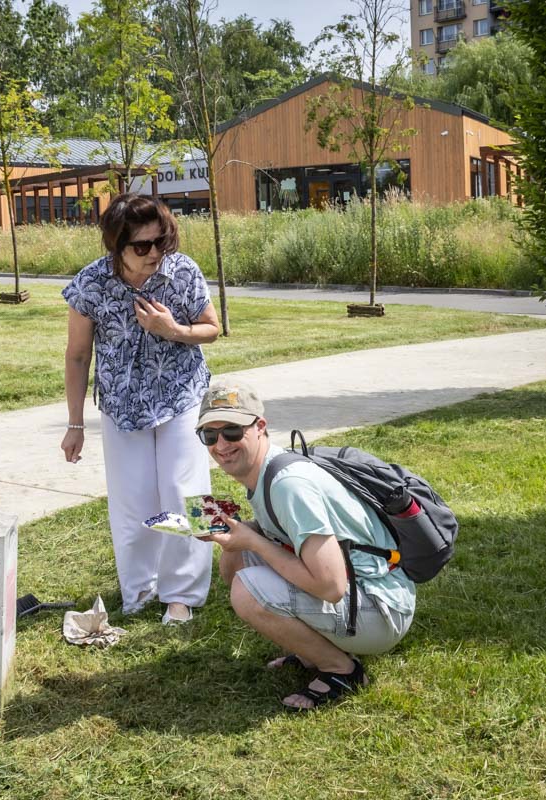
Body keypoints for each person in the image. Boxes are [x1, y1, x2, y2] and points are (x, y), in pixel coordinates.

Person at [194, 378, 416, 711]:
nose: (221, 445)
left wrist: (253, 540)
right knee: (239, 563)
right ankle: (313, 651)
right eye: (209, 435)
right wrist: (236, 538)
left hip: (381, 610)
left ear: (260, 427)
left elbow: (330, 587)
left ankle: (342, 671)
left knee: (247, 589)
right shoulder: (264, 472)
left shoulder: (289, 486)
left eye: (232, 431)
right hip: (363, 593)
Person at [60, 193, 221, 625]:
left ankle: (181, 595)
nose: (154, 253)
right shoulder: (92, 283)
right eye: (142, 245)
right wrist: (75, 424)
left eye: (161, 241)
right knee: (133, 501)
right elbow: (77, 356)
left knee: (183, 491)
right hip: (121, 406)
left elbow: (212, 328)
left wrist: (173, 329)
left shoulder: (182, 271)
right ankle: (140, 590)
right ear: (117, 246)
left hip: (180, 396)